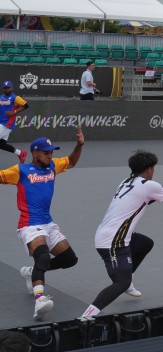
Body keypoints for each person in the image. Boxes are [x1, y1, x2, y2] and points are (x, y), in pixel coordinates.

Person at [80, 152, 163, 318]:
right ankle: (87, 316)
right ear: (148, 169)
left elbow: (147, 199)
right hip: (113, 241)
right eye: (153, 168)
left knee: (145, 244)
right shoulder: (148, 185)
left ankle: (127, 277)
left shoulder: (126, 182)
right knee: (121, 282)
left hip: (113, 234)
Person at [0, 128, 85, 321]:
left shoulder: (53, 166)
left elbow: (71, 161)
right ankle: (39, 300)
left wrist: (79, 145)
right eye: (46, 152)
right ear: (35, 152)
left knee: (69, 259)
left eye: (51, 152)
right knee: (43, 255)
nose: (50, 155)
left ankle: (32, 272)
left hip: (48, 223)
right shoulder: (20, 170)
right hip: (29, 224)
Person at [0, 81, 29, 163]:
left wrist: (14, 112)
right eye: (5, 88)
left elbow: (26, 105)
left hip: (7, 124)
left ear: (12, 88)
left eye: (8, 88)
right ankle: (20, 153)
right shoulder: (1, 97)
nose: (6, 89)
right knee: (1, 145)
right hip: (1, 123)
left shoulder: (15, 98)